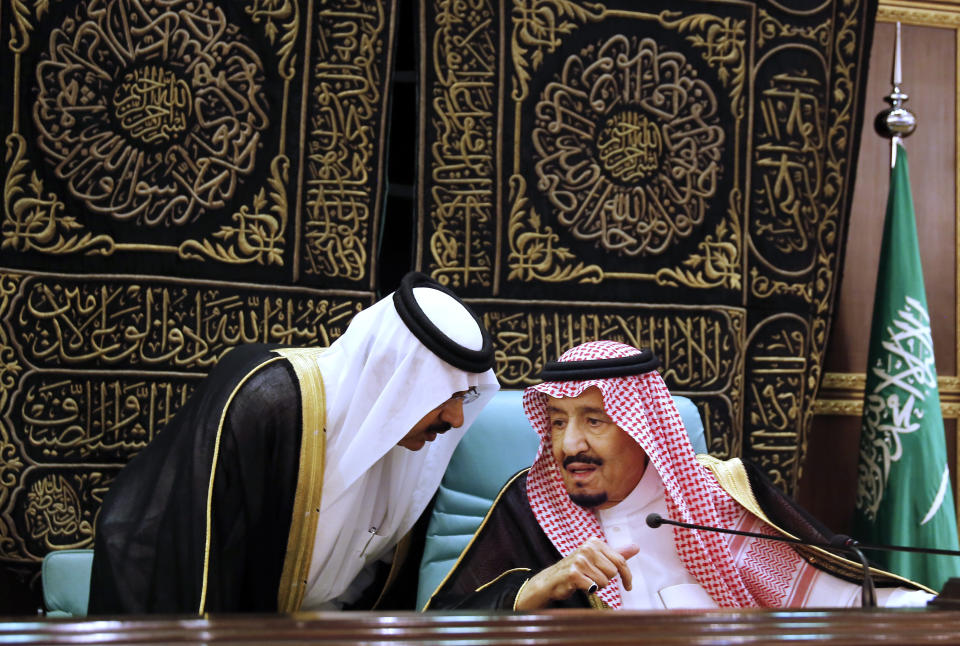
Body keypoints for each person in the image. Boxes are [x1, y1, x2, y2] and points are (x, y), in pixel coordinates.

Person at [89, 272, 499, 614]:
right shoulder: (267, 401)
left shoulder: (417, 453)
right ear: (395, 380)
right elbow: (186, 561)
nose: (455, 419)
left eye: (464, 397)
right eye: (442, 395)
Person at [426, 340, 934, 610]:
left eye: (594, 420)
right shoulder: (529, 506)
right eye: (557, 422)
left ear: (641, 426)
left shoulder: (717, 497)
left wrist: (930, 608)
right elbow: (443, 626)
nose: (569, 444)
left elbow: (834, 593)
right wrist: (534, 590)